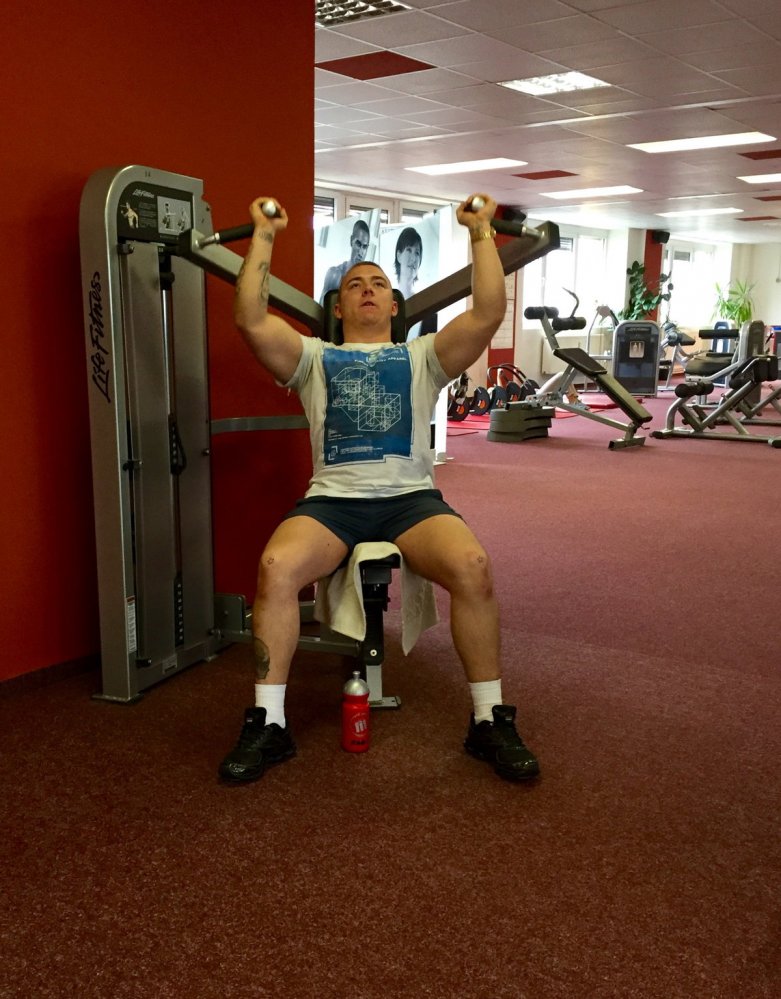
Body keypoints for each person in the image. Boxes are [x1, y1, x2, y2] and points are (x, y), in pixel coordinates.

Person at [219, 192, 540, 786]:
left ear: (394, 305)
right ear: (340, 306)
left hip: (411, 502)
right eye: (354, 285)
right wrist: (263, 234)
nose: (366, 289)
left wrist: (479, 232)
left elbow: (488, 312)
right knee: (275, 568)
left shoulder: (422, 357)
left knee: (473, 566)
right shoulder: (313, 359)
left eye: (377, 284)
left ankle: (488, 717)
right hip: (332, 504)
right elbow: (251, 320)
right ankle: (269, 721)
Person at [319, 218, 370, 303]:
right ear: (351, 241)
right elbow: (321, 308)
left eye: (364, 247)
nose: (361, 252)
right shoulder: (335, 275)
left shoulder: (368, 281)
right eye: (358, 244)